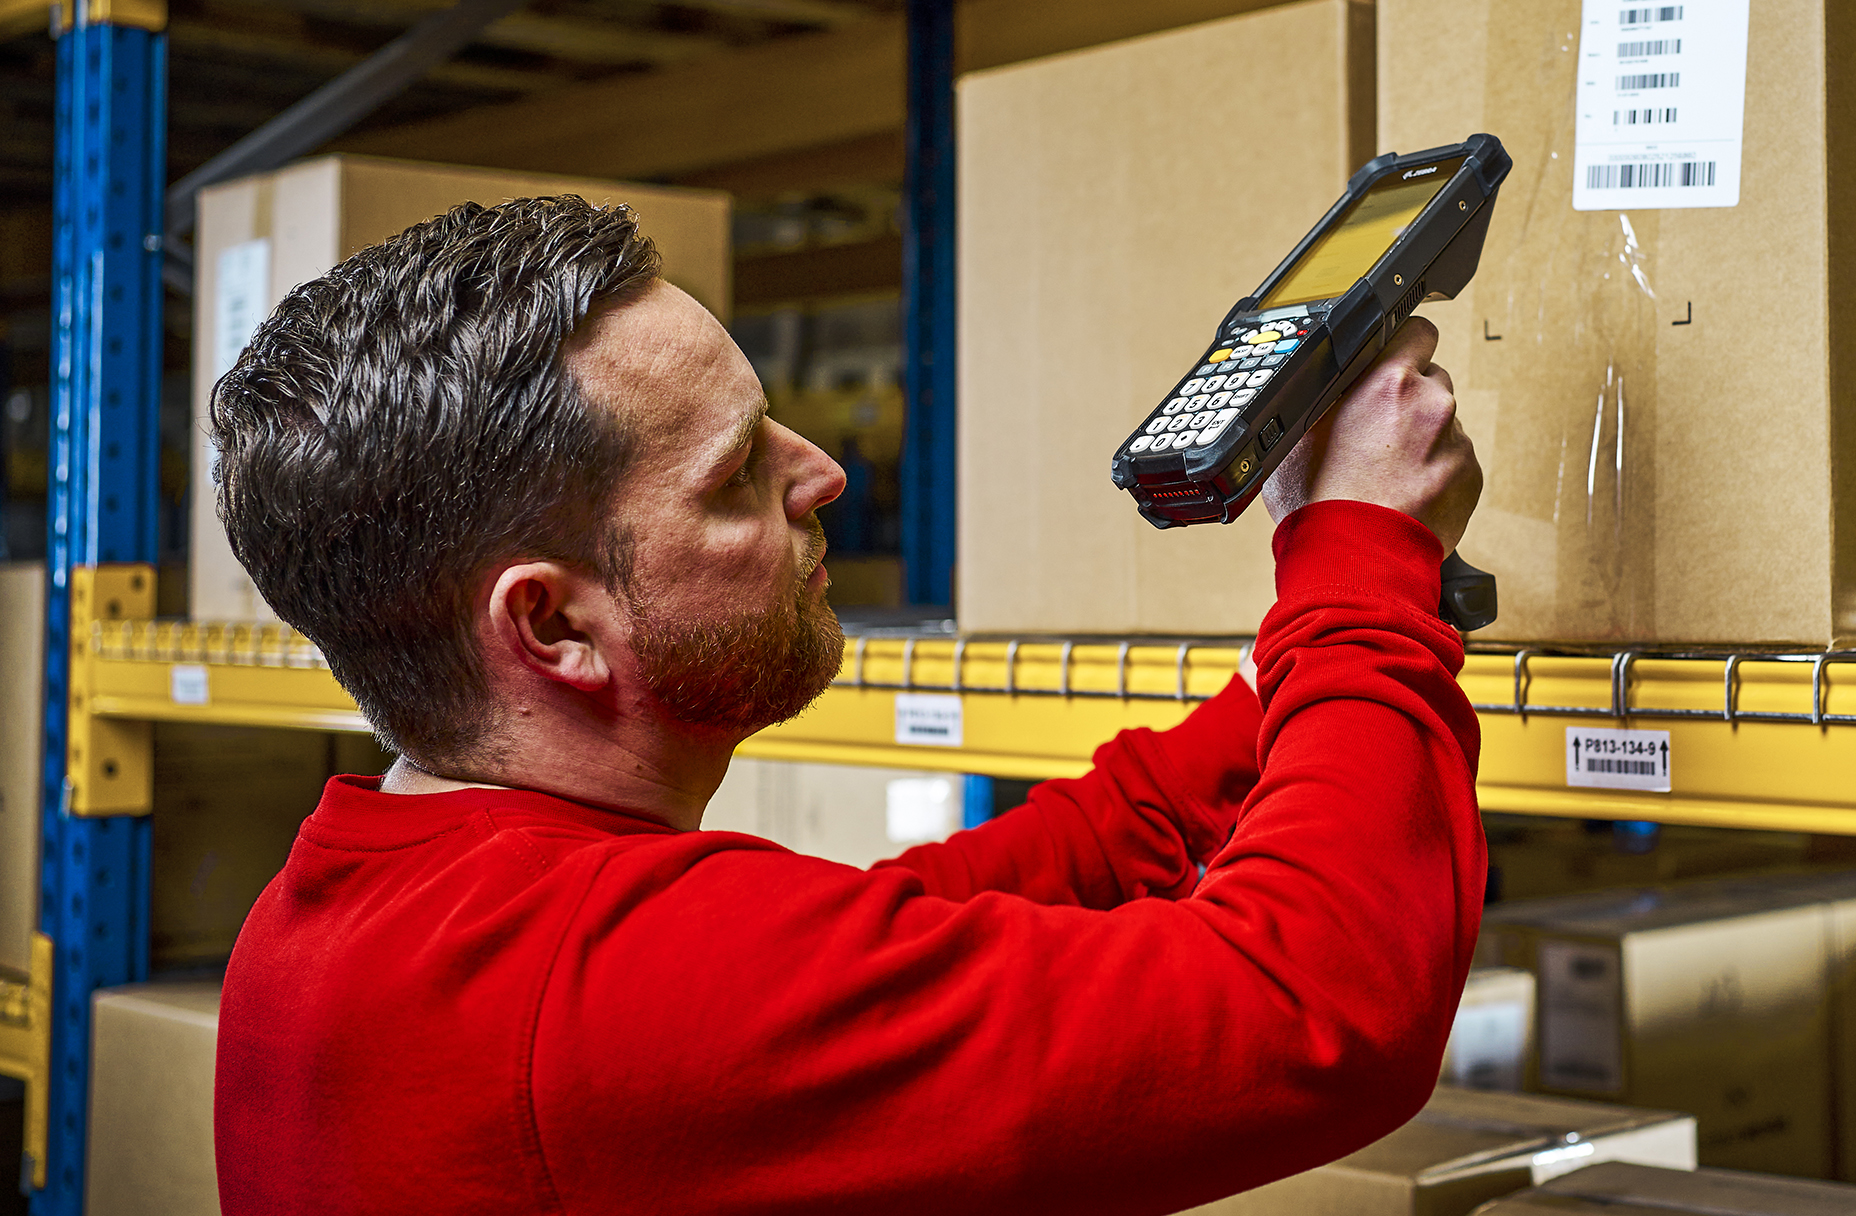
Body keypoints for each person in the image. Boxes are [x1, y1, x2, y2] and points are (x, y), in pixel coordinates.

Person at [210, 196, 1488, 1214]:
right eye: (732, 474)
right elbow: (1316, 1012)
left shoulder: (337, 914)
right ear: (552, 625)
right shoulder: (608, 1001)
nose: (819, 472)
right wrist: (1360, 558)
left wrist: (1288, 682)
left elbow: (906, 938)